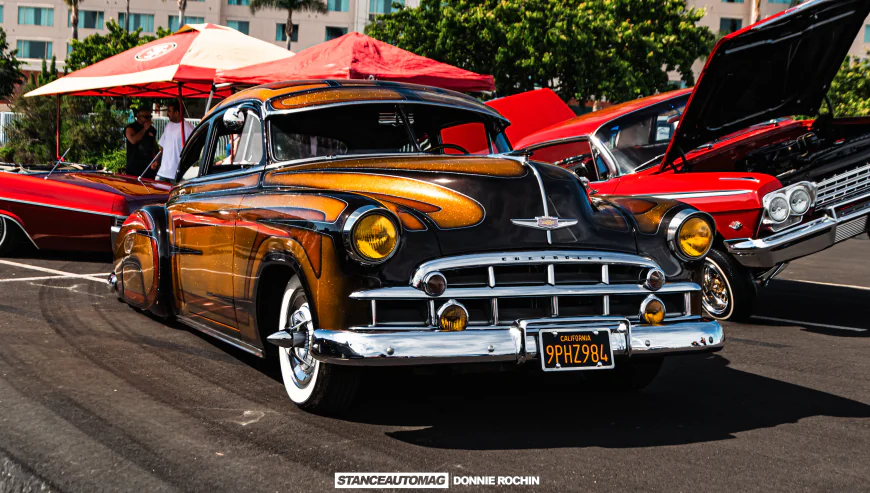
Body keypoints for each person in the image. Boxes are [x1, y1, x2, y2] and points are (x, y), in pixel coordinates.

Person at [154, 101, 195, 184]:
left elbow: (194, 150)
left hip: (176, 174)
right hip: (163, 172)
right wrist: (157, 161)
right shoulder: (168, 125)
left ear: (176, 113)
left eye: (169, 111)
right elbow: (162, 147)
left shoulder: (188, 128)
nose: (167, 114)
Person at [124, 107, 158, 178]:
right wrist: (145, 129)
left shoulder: (152, 129)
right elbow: (133, 140)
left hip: (148, 167)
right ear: (138, 116)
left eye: (150, 116)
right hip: (134, 167)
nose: (148, 119)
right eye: (146, 117)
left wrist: (156, 160)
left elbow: (154, 146)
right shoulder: (131, 128)